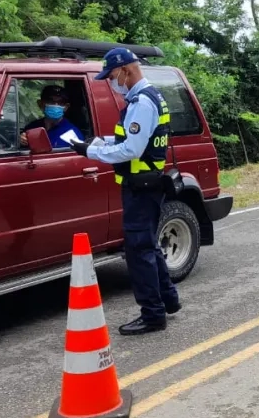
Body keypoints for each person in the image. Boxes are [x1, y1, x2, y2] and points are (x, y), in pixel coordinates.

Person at [70, 47, 180, 336]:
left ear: (126, 71)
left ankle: (153, 315)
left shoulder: (142, 102)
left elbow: (131, 149)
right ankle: (168, 299)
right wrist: (99, 140)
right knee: (150, 245)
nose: (111, 81)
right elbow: (132, 137)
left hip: (141, 188)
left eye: (113, 76)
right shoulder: (145, 98)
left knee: (138, 250)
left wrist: (92, 151)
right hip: (146, 185)